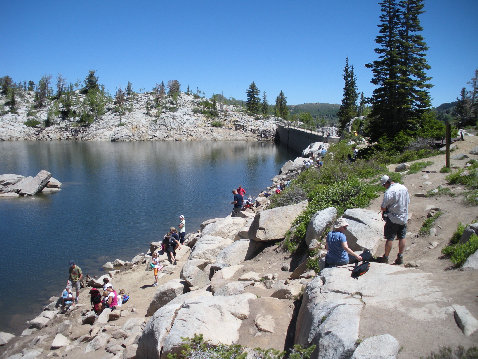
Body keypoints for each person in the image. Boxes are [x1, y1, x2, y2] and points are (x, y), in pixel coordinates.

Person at [376, 175, 410, 265]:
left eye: (384, 185)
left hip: (393, 217)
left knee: (389, 238)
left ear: (386, 183)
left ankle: (386, 257)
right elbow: (408, 201)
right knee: (402, 237)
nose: (384, 187)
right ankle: (400, 257)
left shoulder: (389, 192)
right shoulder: (403, 187)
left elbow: (383, 207)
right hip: (403, 217)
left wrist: (386, 210)